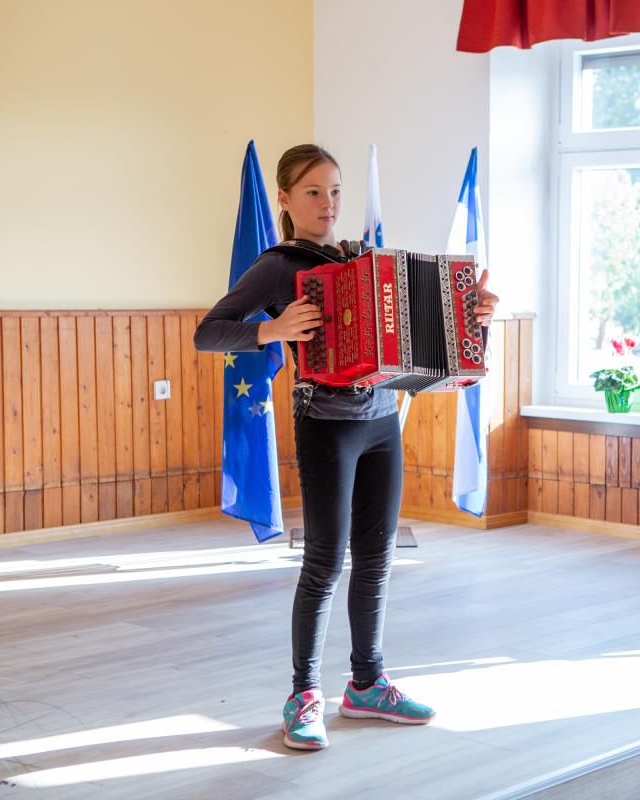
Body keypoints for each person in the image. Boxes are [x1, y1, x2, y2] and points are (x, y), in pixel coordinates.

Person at [193, 144, 499, 750]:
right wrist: (272, 329)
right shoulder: (278, 266)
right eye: (313, 192)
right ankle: (303, 695)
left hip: (381, 422)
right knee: (325, 563)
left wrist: (474, 318)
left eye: (334, 191)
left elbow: (418, 338)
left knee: (377, 559)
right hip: (326, 424)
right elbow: (208, 332)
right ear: (285, 199)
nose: (328, 203)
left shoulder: (366, 260)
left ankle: (366, 684)